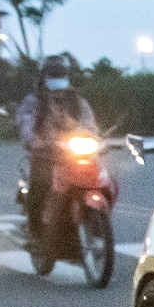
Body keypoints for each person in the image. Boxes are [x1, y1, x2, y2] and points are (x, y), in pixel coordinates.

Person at [16, 56, 96, 240]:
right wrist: (33, 140)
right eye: (52, 75)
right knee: (40, 186)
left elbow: (89, 123)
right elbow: (25, 121)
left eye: (60, 75)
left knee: (98, 179)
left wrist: (95, 138)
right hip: (46, 154)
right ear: (44, 77)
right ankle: (35, 233)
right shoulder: (34, 101)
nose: (57, 79)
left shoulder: (77, 101)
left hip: (74, 154)